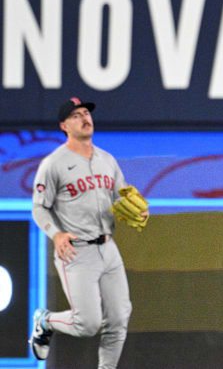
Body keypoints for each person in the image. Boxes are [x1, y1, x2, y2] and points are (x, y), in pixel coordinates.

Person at [28, 97, 144, 368]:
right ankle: (44, 320)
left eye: (86, 113)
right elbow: (39, 208)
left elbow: (121, 196)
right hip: (75, 251)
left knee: (118, 318)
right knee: (87, 324)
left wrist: (137, 210)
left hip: (108, 248)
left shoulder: (107, 159)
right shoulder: (53, 164)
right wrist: (55, 234)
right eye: (76, 115)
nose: (84, 117)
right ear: (64, 126)